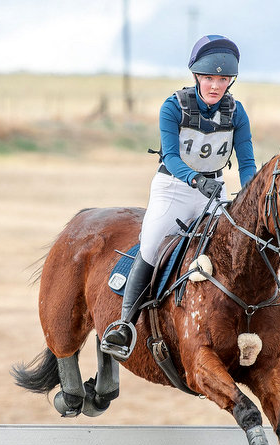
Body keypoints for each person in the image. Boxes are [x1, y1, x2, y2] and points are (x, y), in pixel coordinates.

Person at [100, 35, 257, 362]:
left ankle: (267, 327)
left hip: (214, 190)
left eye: (223, 80)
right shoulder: (173, 107)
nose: (216, 86)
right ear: (197, 76)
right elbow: (171, 157)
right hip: (174, 188)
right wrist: (196, 180)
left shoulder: (236, 112)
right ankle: (125, 324)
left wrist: (251, 197)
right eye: (209, 78)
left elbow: (246, 163)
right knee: (151, 244)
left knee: (243, 248)